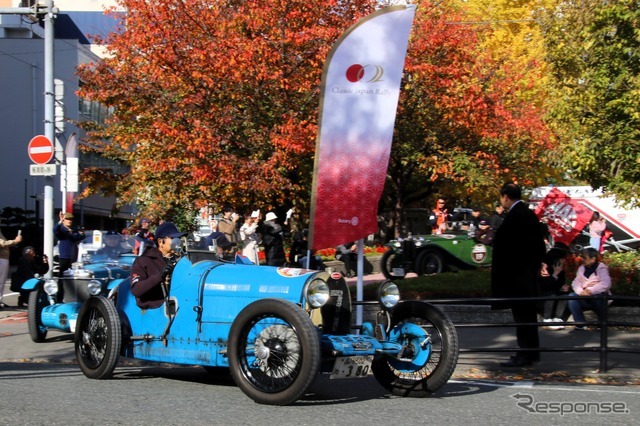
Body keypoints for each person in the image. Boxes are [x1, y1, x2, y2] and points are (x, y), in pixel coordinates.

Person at [491, 183, 546, 367]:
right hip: (526, 274)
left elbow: (510, 246)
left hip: (518, 276)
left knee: (523, 316)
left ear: (506, 196)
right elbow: (538, 246)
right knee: (527, 316)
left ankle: (525, 353)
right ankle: (531, 352)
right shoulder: (527, 213)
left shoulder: (517, 215)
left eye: (501, 197)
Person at [130, 222, 186, 309]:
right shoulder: (143, 261)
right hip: (157, 310)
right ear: (160, 242)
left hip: (180, 305)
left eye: (178, 238)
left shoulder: (182, 260)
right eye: (173, 238)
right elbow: (136, 290)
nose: (177, 242)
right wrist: (161, 275)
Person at [568, 247, 612, 330]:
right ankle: (580, 324)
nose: (582, 259)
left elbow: (606, 283)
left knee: (598, 297)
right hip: (584, 296)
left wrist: (591, 291)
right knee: (572, 296)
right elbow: (576, 282)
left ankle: (602, 323)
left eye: (584, 258)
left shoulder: (601, 268)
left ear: (593, 259)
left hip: (597, 297)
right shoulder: (581, 269)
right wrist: (580, 292)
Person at [53, 212, 85, 301]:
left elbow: (78, 237)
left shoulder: (72, 231)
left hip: (74, 259)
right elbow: (55, 230)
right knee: (62, 279)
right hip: (64, 258)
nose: (69, 221)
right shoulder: (62, 230)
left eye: (71, 219)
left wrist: (82, 234)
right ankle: (60, 299)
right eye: (67, 219)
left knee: (75, 278)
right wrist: (60, 221)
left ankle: (74, 297)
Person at [538, 243, 570, 330]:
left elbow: (558, 284)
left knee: (564, 293)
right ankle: (547, 319)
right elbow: (544, 285)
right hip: (542, 294)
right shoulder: (544, 267)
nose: (564, 261)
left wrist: (562, 287)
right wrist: (555, 275)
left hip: (553, 291)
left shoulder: (560, 269)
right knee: (551, 294)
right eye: (563, 258)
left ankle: (557, 317)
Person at [0, 226, 23, 309]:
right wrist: (15, 241)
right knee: (1, 281)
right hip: (1, 259)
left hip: (3, 258)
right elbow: (2, 243)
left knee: (2, 282)